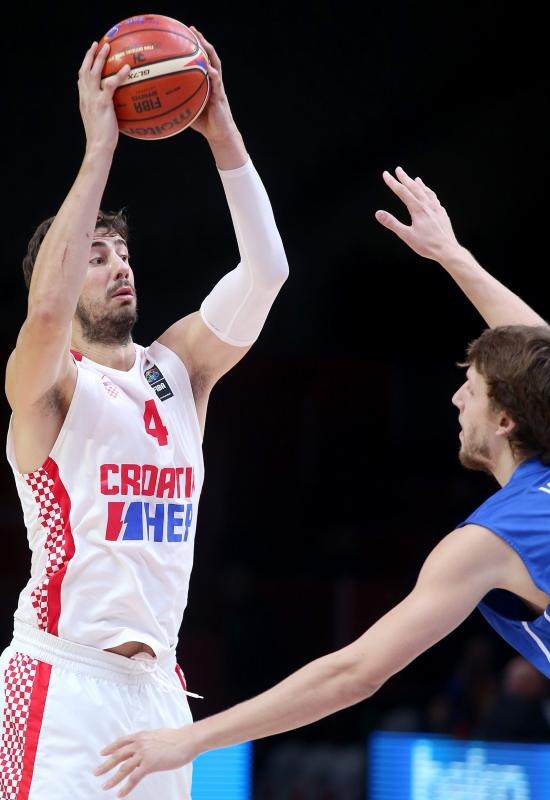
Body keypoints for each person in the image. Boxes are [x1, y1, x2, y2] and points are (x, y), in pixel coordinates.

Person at [96, 166, 550, 798]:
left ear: (504, 420)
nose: (453, 399)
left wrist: (191, 738)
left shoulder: (490, 541)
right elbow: (540, 354)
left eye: (469, 390)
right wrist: (451, 255)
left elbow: (354, 673)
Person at [0, 25, 288, 800]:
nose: (118, 262)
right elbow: (46, 314)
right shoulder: (47, 386)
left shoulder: (179, 369)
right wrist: (99, 149)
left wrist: (219, 125)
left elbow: (267, 271)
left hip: (161, 693)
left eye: (121, 250)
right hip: (64, 676)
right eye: (95, 254)